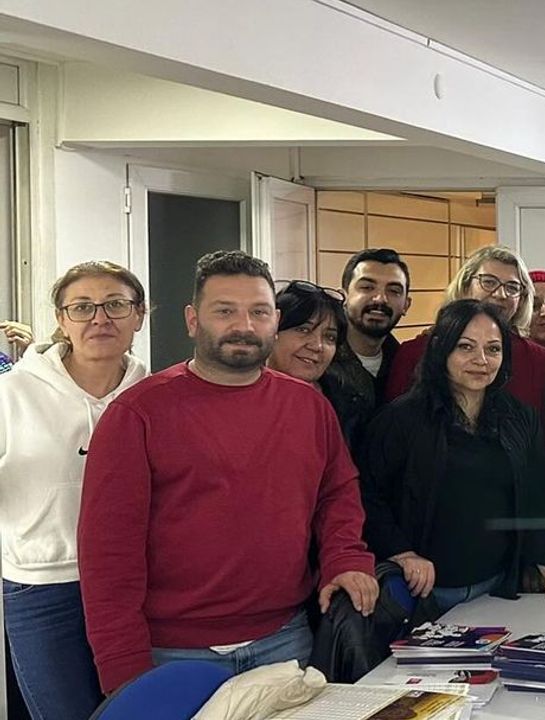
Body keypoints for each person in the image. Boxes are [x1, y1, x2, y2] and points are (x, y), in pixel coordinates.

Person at [78, 250, 377, 693]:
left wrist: (345, 559)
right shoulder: (136, 415)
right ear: (192, 320)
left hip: (286, 640)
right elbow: (108, 555)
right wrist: (124, 672)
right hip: (172, 654)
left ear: (275, 321)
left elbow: (337, 493)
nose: (244, 326)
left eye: (259, 312)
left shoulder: (308, 406)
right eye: (225, 311)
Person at [359, 299, 545, 613]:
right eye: (466, 347)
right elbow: (367, 497)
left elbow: (536, 499)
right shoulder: (401, 418)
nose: (481, 360)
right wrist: (402, 554)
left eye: (493, 349)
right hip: (423, 593)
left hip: (496, 589)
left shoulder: (519, 417)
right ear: (441, 348)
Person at [0, 262, 148, 719]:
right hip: (44, 587)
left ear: (140, 315)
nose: (99, 319)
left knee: (134, 711)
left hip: (136, 585)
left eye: (115, 305)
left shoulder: (153, 394)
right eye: (82, 307)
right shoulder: (11, 393)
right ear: (61, 320)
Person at [386, 246, 545, 416]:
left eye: (512, 287)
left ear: (522, 299)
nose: (501, 294)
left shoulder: (540, 360)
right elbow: (394, 423)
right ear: (465, 286)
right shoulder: (414, 352)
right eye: (489, 282)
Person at [269, 280, 367, 445]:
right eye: (304, 330)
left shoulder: (349, 403)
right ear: (272, 331)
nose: (317, 346)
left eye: (330, 337)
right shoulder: (239, 394)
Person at [327, 247, 411, 411]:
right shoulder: (321, 360)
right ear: (343, 297)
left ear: (406, 305)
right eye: (367, 287)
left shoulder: (408, 365)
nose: (380, 299)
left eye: (393, 291)